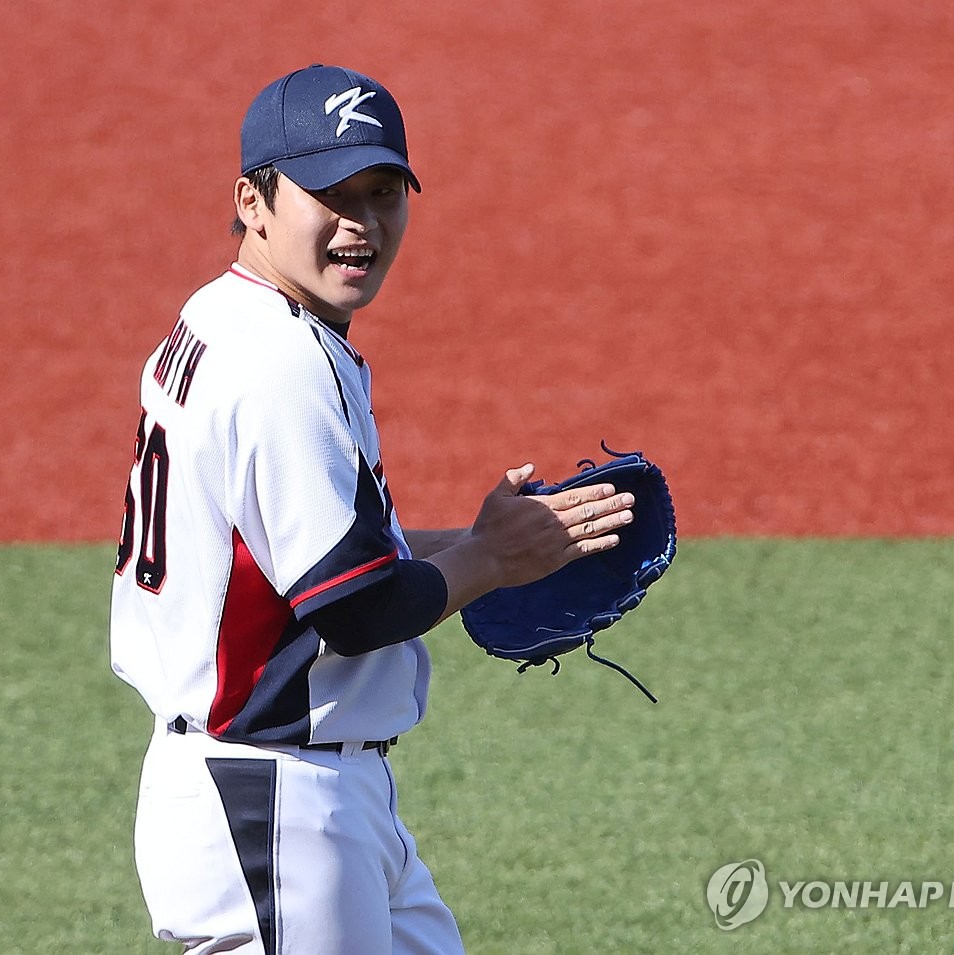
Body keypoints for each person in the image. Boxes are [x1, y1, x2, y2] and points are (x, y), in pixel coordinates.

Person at [110, 63, 635, 955]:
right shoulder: (280, 362)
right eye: (330, 194)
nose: (362, 222)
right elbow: (350, 609)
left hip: (298, 796)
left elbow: (286, 560)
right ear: (254, 199)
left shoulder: (224, 317)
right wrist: (491, 563)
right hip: (272, 799)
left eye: (384, 190)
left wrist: (501, 543)